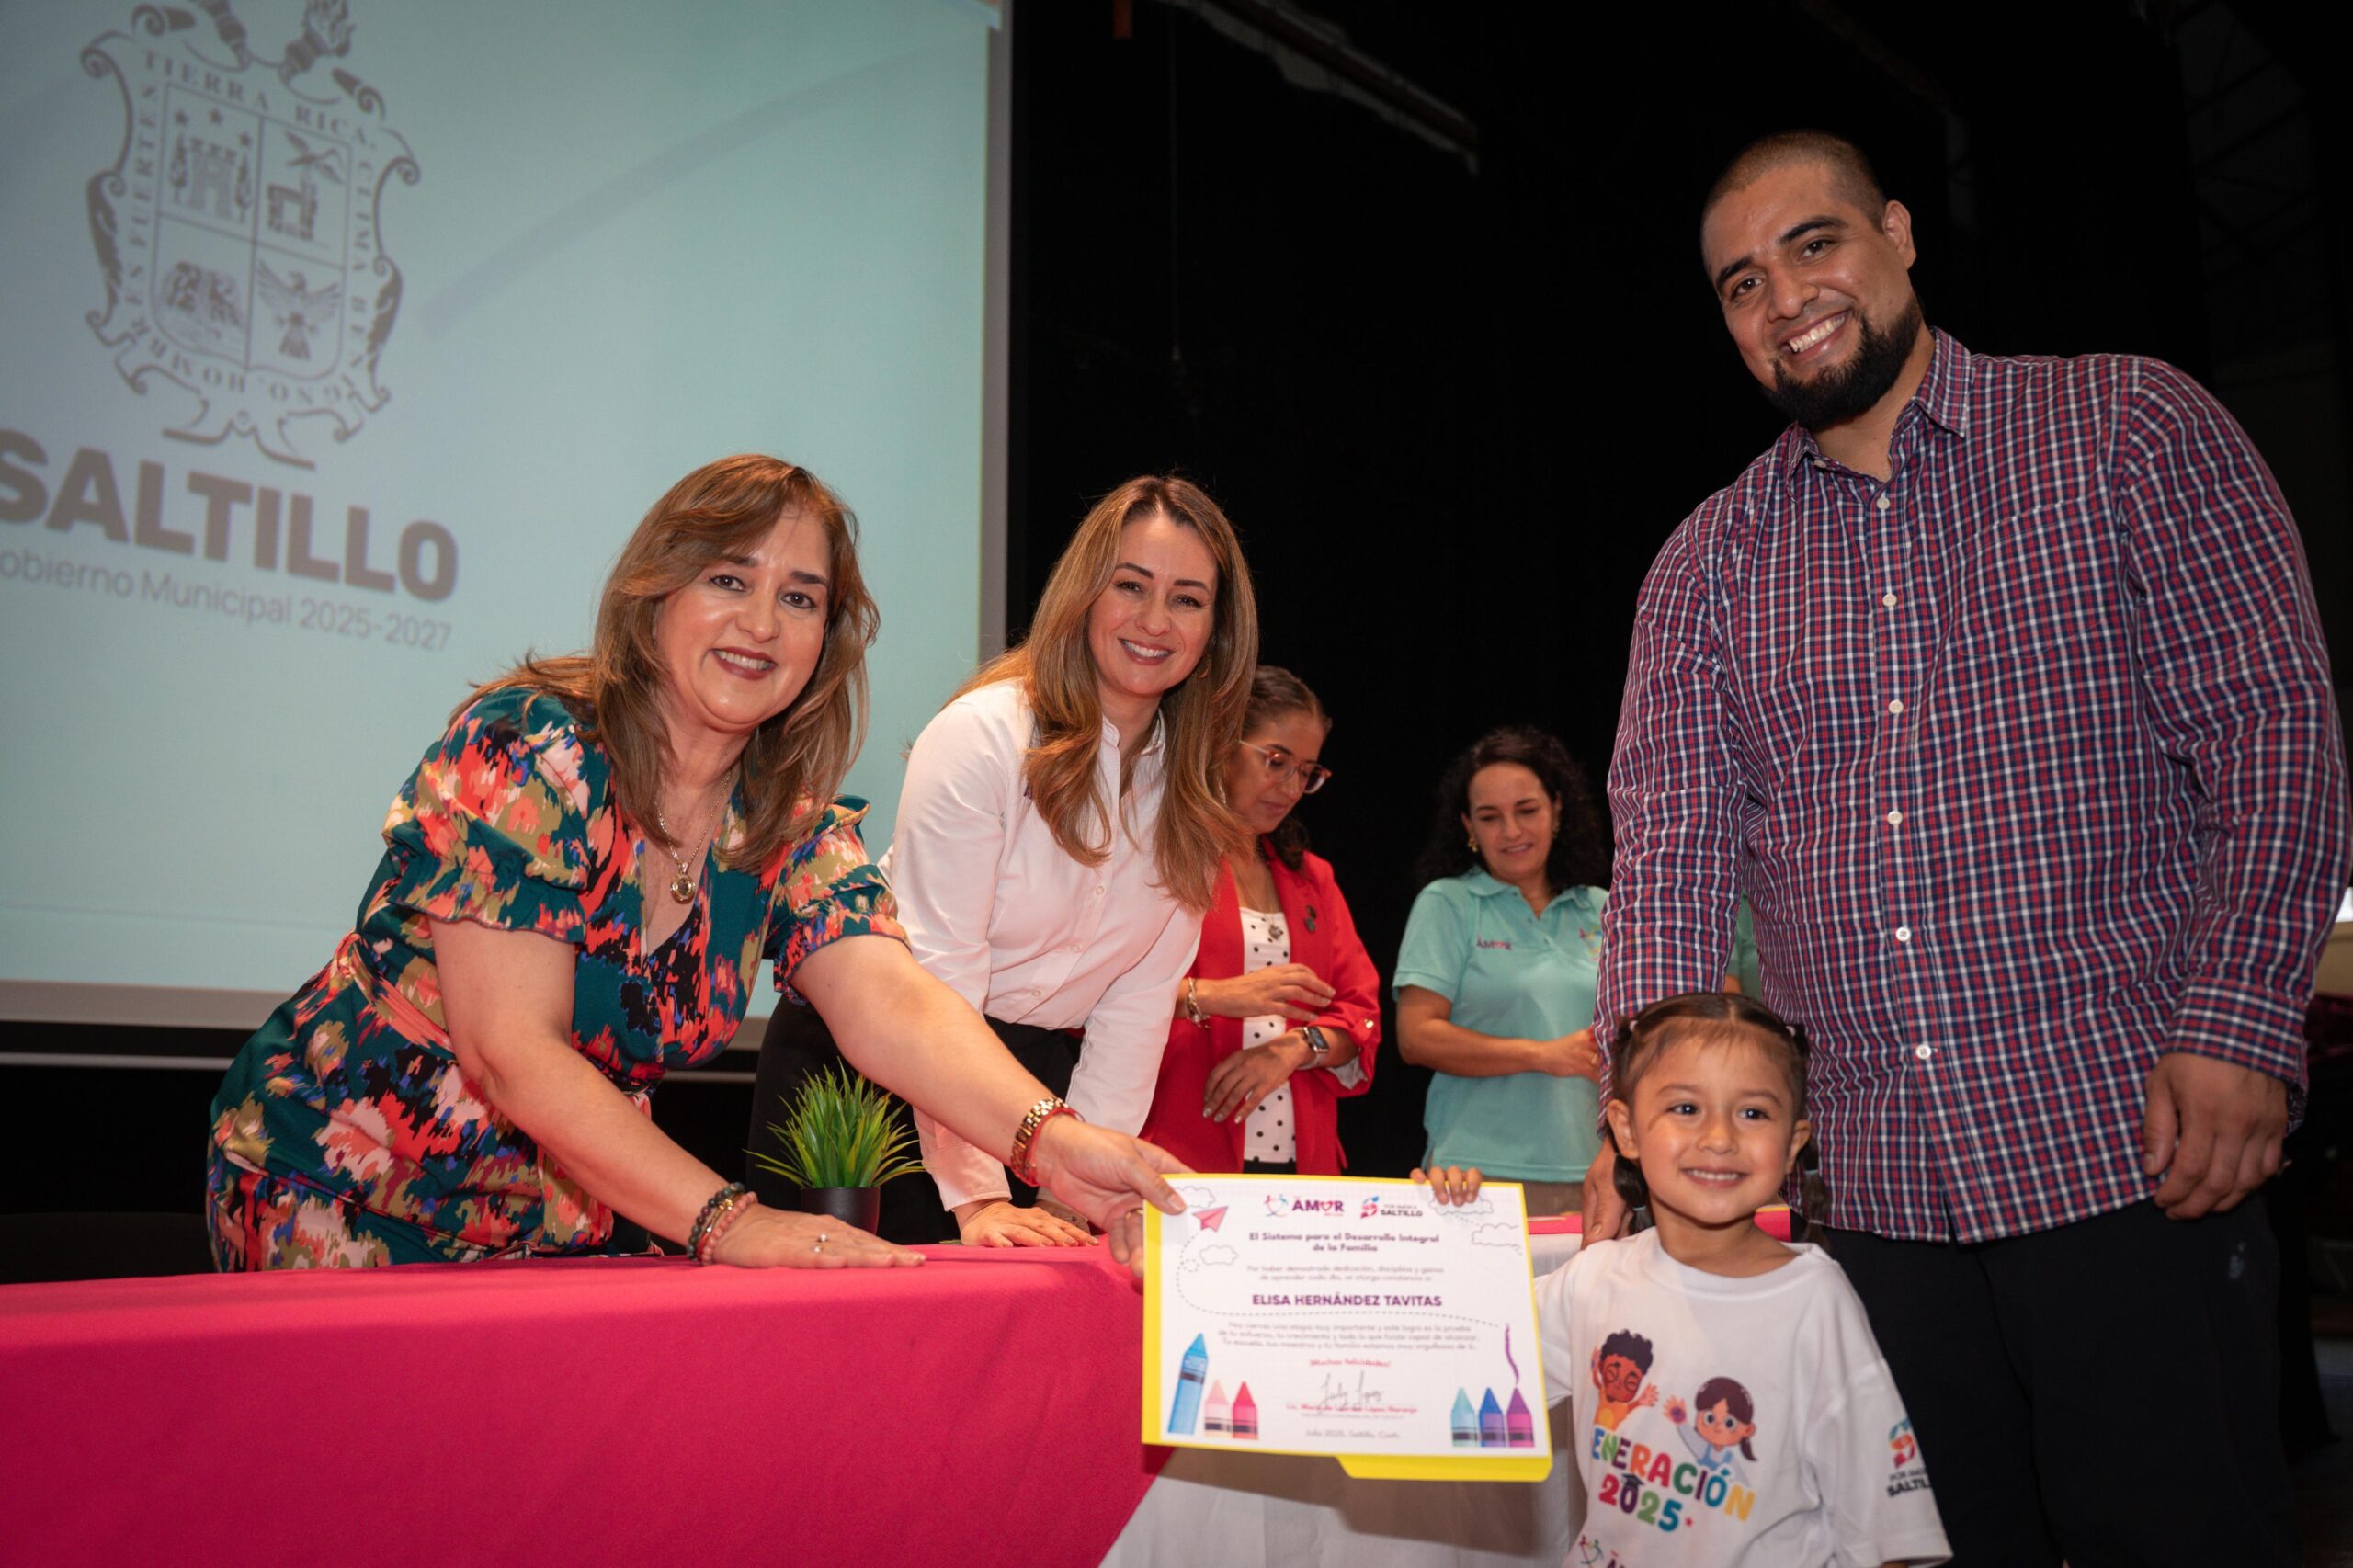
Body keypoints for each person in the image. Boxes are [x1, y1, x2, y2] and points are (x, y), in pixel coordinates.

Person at [1588, 129, 2348, 1565]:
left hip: (2133, 1150)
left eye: (1814, 243)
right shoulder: (1703, 563)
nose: (1784, 298)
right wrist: (1647, 1123)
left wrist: (2244, 1019)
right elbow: (1672, 858)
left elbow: (2271, 732)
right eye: (1742, 283)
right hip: (1869, 1203)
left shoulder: (2126, 426)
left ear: (1898, 232)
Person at [206, 455, 1187, 1271]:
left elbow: (891, 1000)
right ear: (656, 595)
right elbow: (511, 1051)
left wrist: (1052, 1141)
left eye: (798, 598)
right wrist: (732, 1222)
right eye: (729, 579)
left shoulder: (787, 819)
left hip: (558, 1221)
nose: (762, 622)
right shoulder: (531, 748)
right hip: (341, 1187)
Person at [751, 474, 1257, 1245]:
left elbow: (1135, 1014)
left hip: (1031, 1095)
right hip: (873, 1076)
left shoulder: (1192, 795)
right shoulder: (983, 736)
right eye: (1130, 585)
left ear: (1217, 630)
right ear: (1084, 594)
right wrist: (979, 1199)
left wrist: (1074, 1195)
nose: (1155, 620)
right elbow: (941, 979)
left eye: (1187, 599)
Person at [1540, 992, 1950, 1567]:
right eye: (1686, 1108)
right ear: (1626, 1131)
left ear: (1792, 1145)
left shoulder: (1814, 1301)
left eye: (1753, 1113)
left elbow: (1883, 1526)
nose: (1720, 1138)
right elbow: (1464, 1346)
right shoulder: (1592, 1280)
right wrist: (1441, 1224)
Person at [1139, 665, 1378, 1175]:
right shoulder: (1159, 858)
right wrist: (1212, 996)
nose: (1291, 787)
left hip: (1302, 1162)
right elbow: (1089, 996)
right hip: (1177, 1149)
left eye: (1306, 772)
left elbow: (1362, 1013)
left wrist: (1297, 1047)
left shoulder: (1312, 878)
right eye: (1276, 761)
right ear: (1221, 743)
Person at [1393, 727, 1612, 1216]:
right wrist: (1543, 1055)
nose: (1511, 831)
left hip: (1596, 1171)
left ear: (1557, 809)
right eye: (1490, 817)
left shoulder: (1602, 907)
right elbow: (1416, 1036)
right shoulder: (1448, 903)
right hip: (1475, 1176)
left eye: (1527, 810)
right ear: (1468, 826)